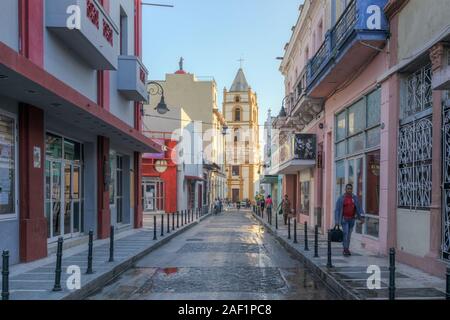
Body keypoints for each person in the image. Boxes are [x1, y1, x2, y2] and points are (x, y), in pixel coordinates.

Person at [334, 184, 365, 257]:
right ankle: (345, 249)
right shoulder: (341, 198)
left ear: (352, 189)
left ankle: (347, 248)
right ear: (345, 189)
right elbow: (337, 210)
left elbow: (359, 208)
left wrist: (362, 217)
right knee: (345, 234)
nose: (349, 190)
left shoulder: (354, 198)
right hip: (344, 219)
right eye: (348, 188)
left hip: (352, 219)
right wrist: (337, 221)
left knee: (349, 235)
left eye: (350, 189)